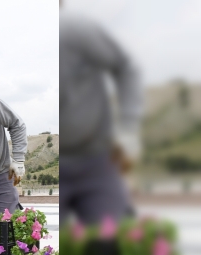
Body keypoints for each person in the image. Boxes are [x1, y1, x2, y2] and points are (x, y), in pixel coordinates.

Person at [59, 7, 142, 226]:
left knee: (113, 243)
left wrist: (128, 128)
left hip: (96, 159)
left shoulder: (77, 28)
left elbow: (125, 67)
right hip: (61, 164)